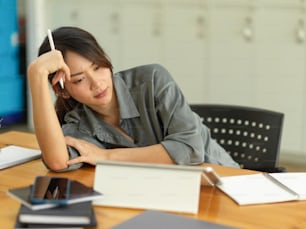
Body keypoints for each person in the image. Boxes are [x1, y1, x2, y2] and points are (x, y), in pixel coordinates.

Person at [27, 26, 239, 172]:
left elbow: (190, 150)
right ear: (63, 91)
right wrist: (36, 76)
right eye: (79, 79)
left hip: (223, 182)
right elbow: (59, 161)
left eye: (98, 67)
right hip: (164, 194)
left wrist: (107, 157)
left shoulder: (153, 80)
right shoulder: (80, 123)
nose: (97, 83)